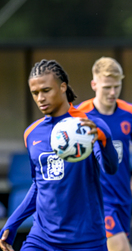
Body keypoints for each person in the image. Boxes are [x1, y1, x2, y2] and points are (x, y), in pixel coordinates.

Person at [0, 59, 119, 251]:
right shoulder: (31, 133)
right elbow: (39, 185)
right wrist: (12, 223)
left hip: (86, 240)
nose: (40, 98)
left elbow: (111, 168)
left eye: (46, 90)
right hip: (42, 239)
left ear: (63, 87)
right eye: (35, 93)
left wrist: (104, 141)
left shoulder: (89, 125)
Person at [77, 57, 132, 251]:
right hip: (95, 197)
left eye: (116, 87)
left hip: (123, 195)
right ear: (94, 84)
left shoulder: (130, 112)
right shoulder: (78, 115)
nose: (112, 92)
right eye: (106, 87)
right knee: (122, 248)